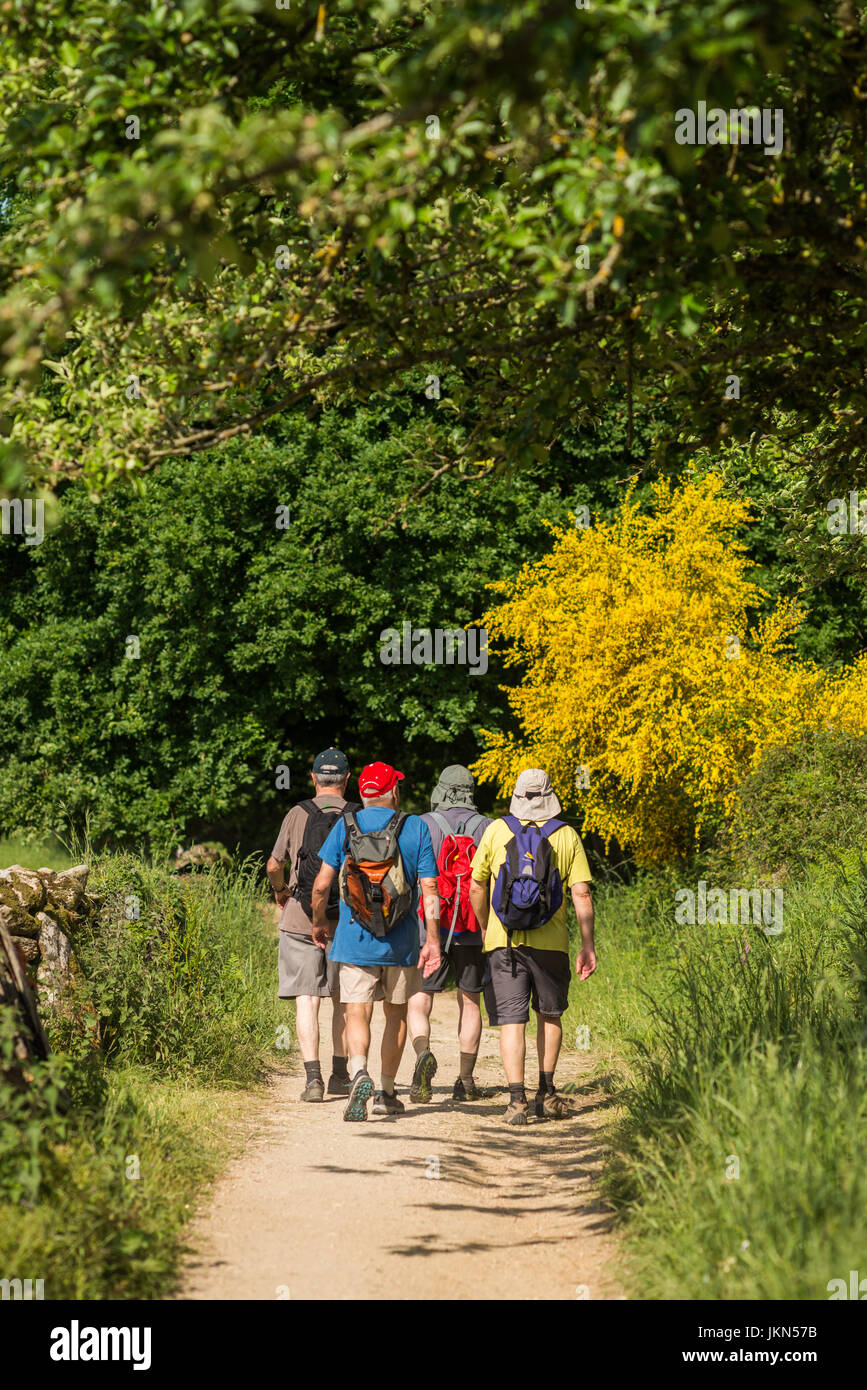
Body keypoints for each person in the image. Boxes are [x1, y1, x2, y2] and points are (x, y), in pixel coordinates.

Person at [310, 761, 442, 1121]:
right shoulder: (414, 827)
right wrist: (432, 939)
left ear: (363, 793)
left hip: (354, 938)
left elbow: (322, 884)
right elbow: (429, 888)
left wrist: (319, 922)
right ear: (394, 791)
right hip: (400, 944)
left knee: (357, 1011)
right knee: (396, 1014)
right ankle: (385, 1091)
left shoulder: (345, 825)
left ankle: (358, 1072)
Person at [469, 768, 596, 1126]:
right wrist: (588, 944)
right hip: (551, 944)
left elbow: (476, 887)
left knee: (512, 1020)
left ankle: (515, 1102)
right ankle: (547, 1093)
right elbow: (581, 892)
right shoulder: (567, 835)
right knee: (549, 1014)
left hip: (503, 941)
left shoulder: (496, 830)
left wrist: (484, 926)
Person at [266, 748, 354, 1102]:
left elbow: (274, 865)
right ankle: (341, 1075)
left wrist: (282, 892)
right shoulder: (358, 815)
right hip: (347, 922)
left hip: (301, 919)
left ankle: (313, 1080)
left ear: (314, 778)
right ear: (348, 779)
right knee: (343, 1000)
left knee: (307, 999)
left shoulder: (297, 813)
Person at [406, 765, 491, 1104]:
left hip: (431, 927)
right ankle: (466, 1081)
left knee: (420, 997)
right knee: (470, 1001)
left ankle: (422, 1055)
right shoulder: (487, 827)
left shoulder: (423, 824)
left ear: (440, 791)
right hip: (472, 926)